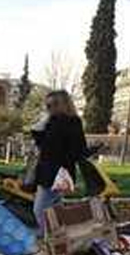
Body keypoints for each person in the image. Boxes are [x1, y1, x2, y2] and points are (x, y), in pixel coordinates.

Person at [31, 90, 89, 234]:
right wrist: (44, 120)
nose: (49, 108)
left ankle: (44, 242)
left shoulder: (72, 122)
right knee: (54, 210)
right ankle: (58, 240)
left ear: (63, 104)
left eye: (53, 104)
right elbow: (39, 140)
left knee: (39, 211)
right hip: (49, 173)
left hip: (57, 174)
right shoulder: (51, 121)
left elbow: (77, 149)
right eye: (48, 105)